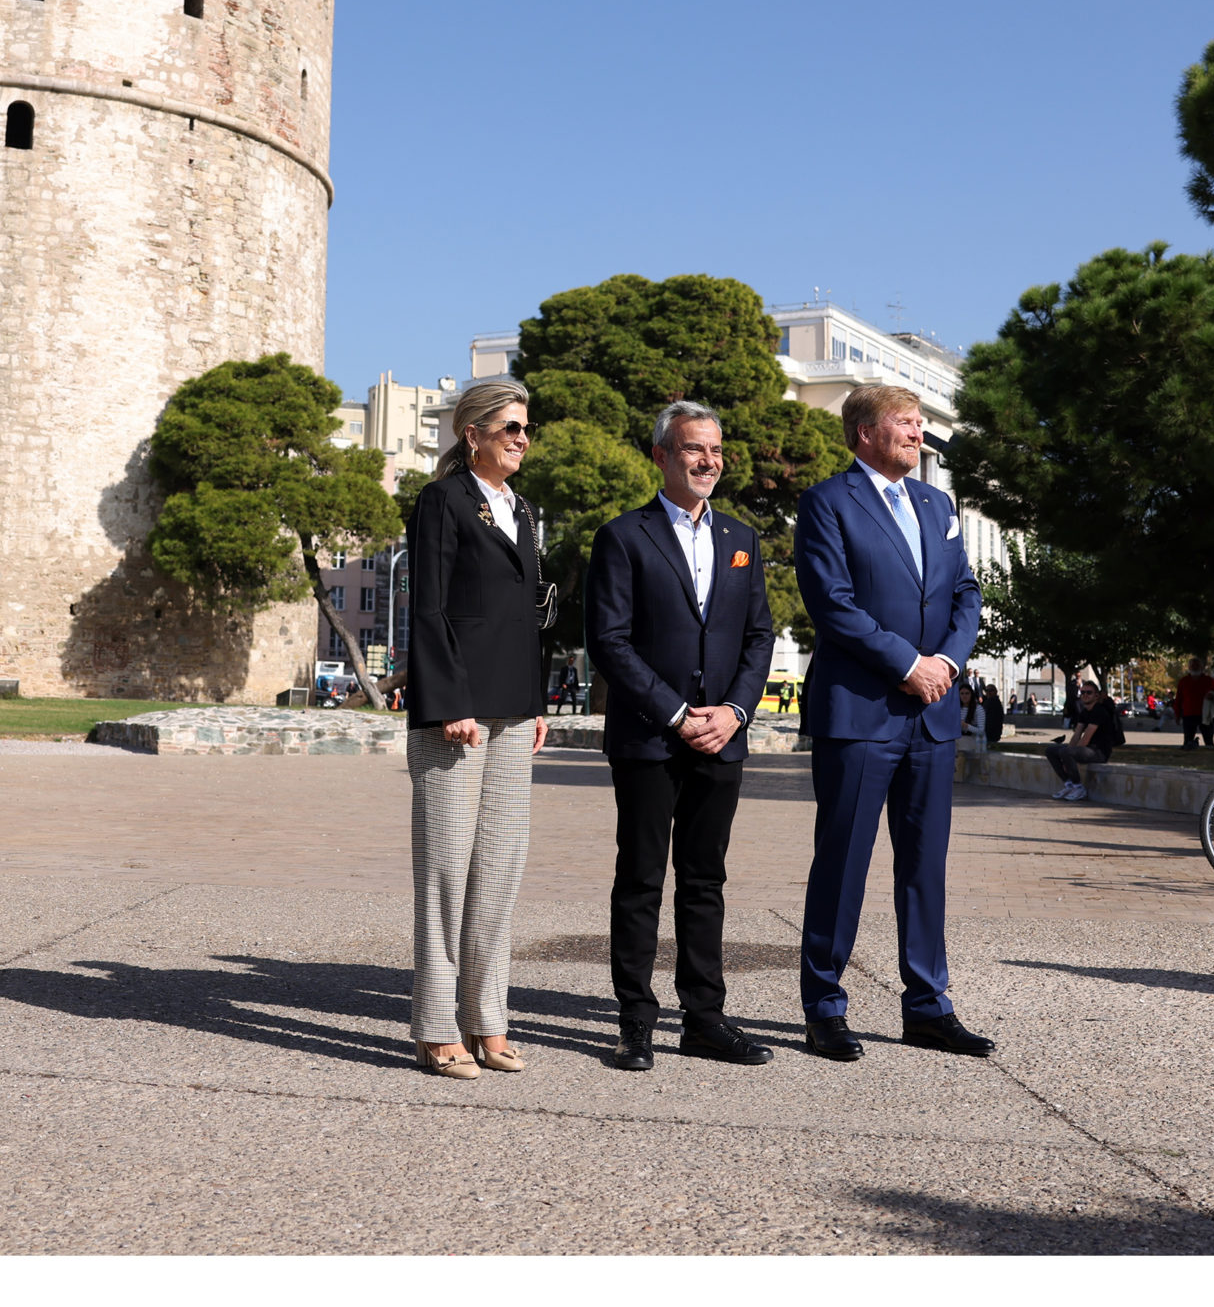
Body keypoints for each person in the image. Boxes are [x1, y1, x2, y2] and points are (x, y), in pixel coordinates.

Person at [791, 384, 989, 1062]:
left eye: (920, 422)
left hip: (932, 713)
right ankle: (823, 1008)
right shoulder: (826, 502)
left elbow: (966, 593)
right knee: (843, 862)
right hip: (860, 712)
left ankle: (929, 1007)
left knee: (924, 866)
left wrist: (947, 665)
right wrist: (908, 662)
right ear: (866, 433)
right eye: (906, 422)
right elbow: (833, 604)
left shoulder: (937, 503)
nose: (919, 431)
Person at [585, 401, 778, 1071]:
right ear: (663, 456)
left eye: (717, 451)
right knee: (640, 879)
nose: (708, 462)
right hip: (648, 738)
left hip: (723, 737)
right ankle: (634, 1021)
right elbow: (607, 640)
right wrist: (674, 712)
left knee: (705, 880)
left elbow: (760, 637)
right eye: (695, 449)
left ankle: (704, 1017)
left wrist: (735, 712)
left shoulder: (741, 539)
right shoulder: (623, 537)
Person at [404, 376, 548, 1079]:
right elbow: (429, 607)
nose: (523, 439)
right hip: (455, 713)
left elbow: (527, 614)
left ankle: (487, 1018)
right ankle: (436, 1025)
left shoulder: (521, 507)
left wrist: (536, 701)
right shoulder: (442, 501)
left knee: (498, 871)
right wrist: (449, 701)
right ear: (474, 434)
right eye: (511, 428)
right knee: (446, 873)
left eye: (526, 429)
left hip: (513, 710)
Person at [1044, 675, 1124, 800]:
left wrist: (1070, 754)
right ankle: (1069, 784)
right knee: (1051, 750)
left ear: (1096, 696)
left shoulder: (1099, 711)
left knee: (1067, 752)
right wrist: (1068, 754)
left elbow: (1086, 737)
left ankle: (1079, 787)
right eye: (1082, 692)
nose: (1085, 695)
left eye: (1089, 692)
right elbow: (1077, 735)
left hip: (1099, 752)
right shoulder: (1084, 712)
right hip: (1087, 749)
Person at [1173, 656, 1214, 749]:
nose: (1194, 667)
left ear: (1202, 667)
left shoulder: (1209, 681)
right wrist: (1177, 715)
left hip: (1206, 715)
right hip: (1188, 714)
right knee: (1188, 740)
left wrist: (1212, 696)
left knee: (1209, 740)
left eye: (1197, 665)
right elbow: (1178, 699)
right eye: (1192, 665)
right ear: (1189, 667)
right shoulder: (1184, 681)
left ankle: (1209, 757)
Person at [980, 678, 1005, 748]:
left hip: (992, 732)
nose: (989, 692)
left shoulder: (994, 702)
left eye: (991, 690)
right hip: (988, 732)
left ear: (996, 691)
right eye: (987, 690)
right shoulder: (987, 701)